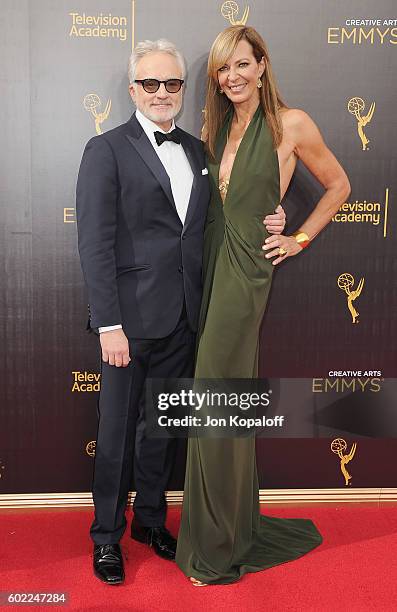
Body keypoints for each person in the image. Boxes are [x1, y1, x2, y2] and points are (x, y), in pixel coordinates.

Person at [76, 38, 286, 585]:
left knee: (163, 433)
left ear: (183, 89)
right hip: (127, 326)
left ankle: (150, 522)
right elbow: (94, 245)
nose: (163, 92)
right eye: (151, 83)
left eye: (173, 83)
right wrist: (109, 324)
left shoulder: (198, 150)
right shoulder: (107, 150)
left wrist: (278, 216)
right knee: (118, 434)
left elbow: (233, 209)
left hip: (185, 320)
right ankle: (106, 537)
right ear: (133, 89)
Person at [175, 25, 351, 586]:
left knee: (213, 393)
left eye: (242, 65)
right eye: (223, 69)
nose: (233, 77)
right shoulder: (214, 125)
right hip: (208, 263)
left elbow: (339, 185)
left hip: (247, 269)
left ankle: (217, 544)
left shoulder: (292, 124)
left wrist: (296, 237)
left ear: (262, 65)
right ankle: (231, 526)